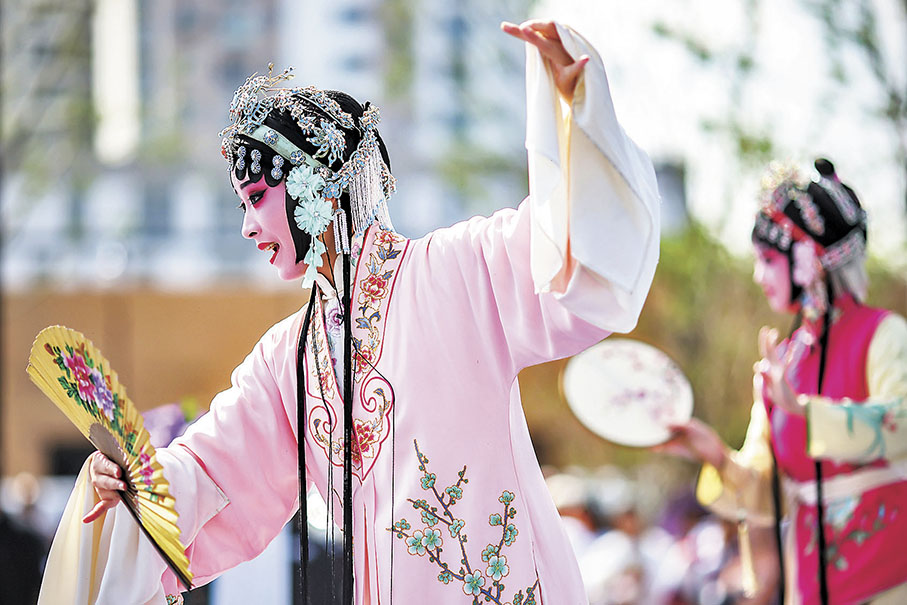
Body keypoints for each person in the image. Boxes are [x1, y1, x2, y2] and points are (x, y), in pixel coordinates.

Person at [37, 19, 661, 605]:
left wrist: (575, 116)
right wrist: (134, 485)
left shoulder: (460, 270)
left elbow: (570, 252)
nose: (249, 226)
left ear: (320, 180)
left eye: (259, 196)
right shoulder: (290, 358)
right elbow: (212, 465)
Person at [659, 159, 907, 604]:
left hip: (891, 580)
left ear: (809, 257)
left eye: (768, 260)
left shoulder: (883, 334)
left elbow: (901, 423)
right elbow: (767, 490)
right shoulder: (785, 361)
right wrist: (716, 455)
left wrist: (801, 411)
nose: (758, 276)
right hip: (810, 587)